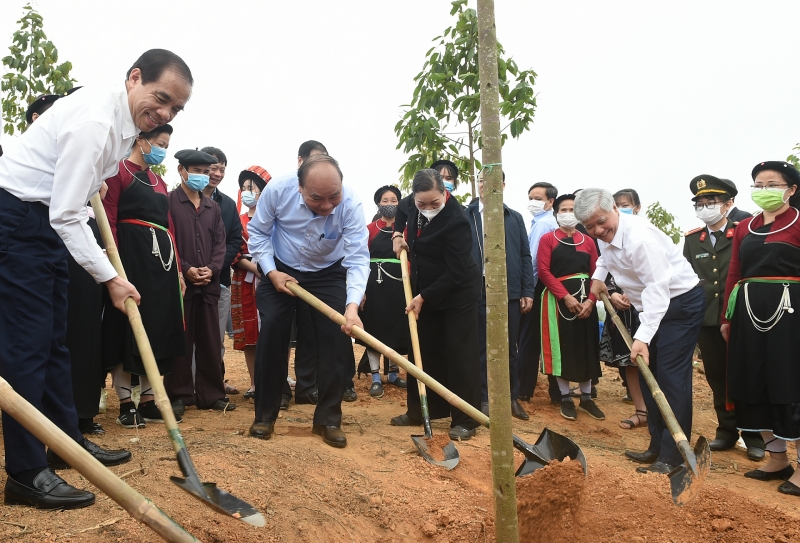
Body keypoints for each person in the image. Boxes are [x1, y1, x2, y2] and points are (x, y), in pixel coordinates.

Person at [0, 48, 192, 509]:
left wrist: (93, 181)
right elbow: (68, 215)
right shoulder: (97, 124)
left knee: (55, 343)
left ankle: (65, 442)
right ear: (134, 78)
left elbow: (75, 196)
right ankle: (26, 473)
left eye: (176, 109)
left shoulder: (122, 127)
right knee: (27, 347)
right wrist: (111, 277)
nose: (164, 113)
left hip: (43, 221)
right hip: (19, 219)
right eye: (160, 98)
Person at [575, 188, 705, 475]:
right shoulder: (607, 235)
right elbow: (605, 260)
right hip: (649, 306)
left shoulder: (640, 240)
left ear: (614, 210)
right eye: (589, 227)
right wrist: (598, 279)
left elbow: (659, 291)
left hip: (678, 304)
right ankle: (657, 446)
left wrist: (642, 338)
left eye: (601, 222)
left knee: (669, 378)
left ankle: (674, 456)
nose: (597, 230)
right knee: (648, 375)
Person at [247, 154, 369, 448]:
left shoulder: (351, 204)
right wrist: (271, 271)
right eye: (317, 199)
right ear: (300, 188)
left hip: (328, 272)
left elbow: (357, 258)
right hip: (280, 267)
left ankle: (328, 418)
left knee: (337, 339)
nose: (327, 206)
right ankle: (265, 414)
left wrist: (351, 307)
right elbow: (258, 234)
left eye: (333, 197)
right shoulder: (277, 190)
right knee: (274, 330)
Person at [722, 161, 800, 497]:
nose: (764, 190)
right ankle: (777, 458)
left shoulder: (798, 222)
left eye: (772, 184)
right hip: (748, 313)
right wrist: (727, 315)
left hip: (791, 314)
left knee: (789, 382)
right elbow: (734, 271)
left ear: (791, 189)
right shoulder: (745, 226)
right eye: (758, 184)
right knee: (753, 380)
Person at [102, 123, 186, 427]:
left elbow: (169, 226)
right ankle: (126, 403)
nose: (162, 149)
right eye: (159, 143)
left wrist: (177, 271)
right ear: (141, 140)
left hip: (162, 265)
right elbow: (108, 218)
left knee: (158, 326)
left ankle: (150, 400)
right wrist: (113, 266)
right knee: (128, 326)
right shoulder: (117, 172)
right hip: (130, 257)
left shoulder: (159, 181)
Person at [390, 169, 482, 440]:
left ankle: (466, 418)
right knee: (423, 348)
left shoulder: (458, 221)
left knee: (458, 352)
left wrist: (423, 297)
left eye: (434, 203)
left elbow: (456, 272)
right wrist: (397, 234)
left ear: (445, 193)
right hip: (424, 285)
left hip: (457, 292)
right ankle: (420, 411)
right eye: (422, 204)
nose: (428, 208)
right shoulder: (411, 203)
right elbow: (404, 212)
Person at [683, 175, 764, 459]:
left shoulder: (746, 231)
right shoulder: (693, 240)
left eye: (711, 202)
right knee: (717, 376)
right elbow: (688, 279)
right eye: (700, 203)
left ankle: (754, 435)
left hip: (741, 316)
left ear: (729, 203)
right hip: (707, 318)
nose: (705, 208)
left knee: (745, 374)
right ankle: (726, 431)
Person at [165, 150, 235, 414]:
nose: (202, 177)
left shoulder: (213, 208)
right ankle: (180, 395)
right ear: (181, 171)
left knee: (210, 340)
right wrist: (185, 268)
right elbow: (168, 240)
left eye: (205, 172)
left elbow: (221, 243)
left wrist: (213, 269)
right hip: (181, 283)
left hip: (209, 284)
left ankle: (212, 394)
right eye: (196, 171)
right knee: (181, 340)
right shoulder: (169, 202)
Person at [465, 171, 533, 420]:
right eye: (481, 180)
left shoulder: (514, 218)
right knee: (480, 346)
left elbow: (525, 255)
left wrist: (527, 290)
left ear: (502, 185)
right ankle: (483, 397)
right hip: (478, 290)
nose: (485, 185)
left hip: (509, 291)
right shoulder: (467, 215)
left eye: (492, 181)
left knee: (509, 347)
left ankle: (511, 398)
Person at [537, 194, 604, 421]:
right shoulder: (548, 239)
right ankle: (565, 398)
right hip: (558, 303)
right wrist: (565, 296)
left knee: (586, 347)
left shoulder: (588, 241)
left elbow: (598, 273)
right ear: (556, 213)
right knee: (562, 349)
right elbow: (544, 271)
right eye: (563, 209)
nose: (568, 213)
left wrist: (591, 301)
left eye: (572, 209)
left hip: (587, 301)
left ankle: (586, 398)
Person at [602, 189, 648, 429]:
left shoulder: (644, 235)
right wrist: (612, 294)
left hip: (648, 311)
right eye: (617, 204)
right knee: (629, 362)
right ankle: (641, 411)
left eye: (626, 204)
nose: (622, 207)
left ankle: (659, 412)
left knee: (652, 360)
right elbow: (605, 271)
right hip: (622, 312)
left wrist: (635, 292)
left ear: (637, 207)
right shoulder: (608, 239)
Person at [358, 185, 409, 398]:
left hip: (400, 287)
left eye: (394, 200)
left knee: (397, 328)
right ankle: (376, 376)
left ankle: (394, 374)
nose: (389, 204)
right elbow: (360, 259)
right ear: (378, 203)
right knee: (374, 330)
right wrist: (361, 290)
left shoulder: (406, 229)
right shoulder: (369, 229)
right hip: (374, 287)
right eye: (385, 200)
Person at [200, 146, 242, 396]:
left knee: (216, 337)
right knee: (190, 336)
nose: (217, 173)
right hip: (187, 277)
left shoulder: (227, 205)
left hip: (220, 280)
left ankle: (216, 381)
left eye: (221, 169)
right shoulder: (178, 199)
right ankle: (189, 384)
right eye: (213, 168)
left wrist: (215, 267)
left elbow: (234, 240)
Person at [231, 166, 272, 399]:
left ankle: (277, 380)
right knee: (250, 334)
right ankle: (255, 383)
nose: (247, 192)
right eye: (244, 188)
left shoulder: (275, 219)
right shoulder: (237, 221)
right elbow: (233, 251)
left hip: (271, 277)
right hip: (245, 280)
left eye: (253, 188)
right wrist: (256, 269)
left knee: (274, 328)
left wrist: (267, 269)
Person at [518, 182, 560, 404]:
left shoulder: (544, 225)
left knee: (528, 340)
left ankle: (523, 388)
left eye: (537, 198)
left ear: (550, 202)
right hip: (543, 286)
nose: (532, 202)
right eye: (530, 197)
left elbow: (533, 261)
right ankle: (551, 391)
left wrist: (528, 290)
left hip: (538, 286)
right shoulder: (539, 223)